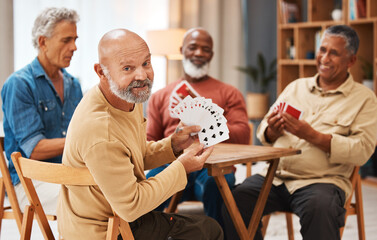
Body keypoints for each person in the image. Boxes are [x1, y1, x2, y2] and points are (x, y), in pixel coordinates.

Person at [57, 28, 223, 240]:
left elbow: (132, 155)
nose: (142, 76)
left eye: (146, 63)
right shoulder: (101, 129)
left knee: (203, 226)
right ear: (101, 72)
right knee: (209, 230)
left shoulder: (127, 97)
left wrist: (173, 145)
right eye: (128, 68)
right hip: (106, 230)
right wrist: (182, 167)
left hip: (117, 216)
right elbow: (132, 206)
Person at [221, 25, 377, 240]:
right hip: (274, 177)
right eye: (322, 50)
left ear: (351, 61)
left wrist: (312, 136)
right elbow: (263, 133)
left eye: (334, 53)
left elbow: (363, 151)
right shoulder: (296, 87)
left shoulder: (364, 99)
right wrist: (272, 131)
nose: (324, 58)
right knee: (235, 200)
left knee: (321, 209)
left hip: (322, 182)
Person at [146, 27, 250, 225]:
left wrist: (208, 122)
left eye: (206, 49)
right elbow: (150, 141)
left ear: (211, 54)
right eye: (193, 47)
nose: (199, 53)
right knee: (146, 190)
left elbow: (243, 136)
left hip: (215, 165)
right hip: (172, 163)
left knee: (217, 187)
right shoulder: (160, 96)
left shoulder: (230, 92)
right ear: (182, 49)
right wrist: (177, 139)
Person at [1, 7, 82, 215]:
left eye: (75, 39)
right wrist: (83, 140)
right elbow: (34, 148)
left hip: (67, 174)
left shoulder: (73, 84)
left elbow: (85, 130)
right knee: (89, 202)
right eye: (66, 40)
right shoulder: (19, 85)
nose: (74, 47)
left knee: (115, 191)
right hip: (29, 181)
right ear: (43, 42)